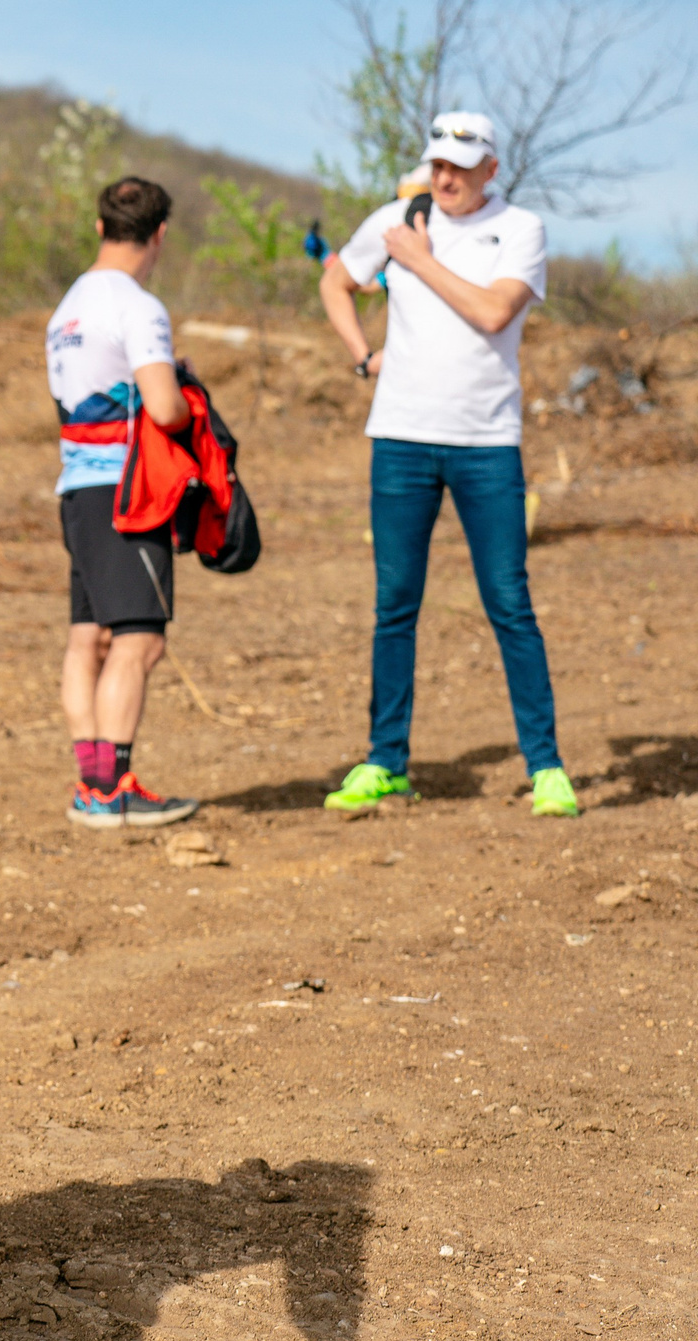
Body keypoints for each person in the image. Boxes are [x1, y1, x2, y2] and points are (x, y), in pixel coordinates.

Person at [317, 112, 577, 817]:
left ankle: (546, 766)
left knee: (509, 602)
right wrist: (362, 356)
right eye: (436, 164)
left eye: (460, 167)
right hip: (400, 439)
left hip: (488, 444)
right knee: (394, 606)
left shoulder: (520, 230)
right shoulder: (396, 220)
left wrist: (419, 260)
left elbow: (494, 313)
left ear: (491, 169)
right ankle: (385, 761)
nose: (444, 178)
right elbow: (335, 282)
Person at [45, 176, 201, 829]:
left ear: (100, 227)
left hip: (77, 491)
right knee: (139, 642)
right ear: (160, 234)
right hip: (128, 494)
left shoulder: (67, 309)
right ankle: (114, 789)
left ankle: (93, 783)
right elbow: (163, 407)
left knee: (88, 637)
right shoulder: (138, 307)